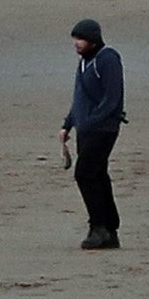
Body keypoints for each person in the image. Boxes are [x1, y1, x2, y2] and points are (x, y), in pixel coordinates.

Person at [59, 15, 128, 250]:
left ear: (94, 40)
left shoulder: (107, 58)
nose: (77, 43)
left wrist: (90, 121)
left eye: (82, 39)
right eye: (75, 38)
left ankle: (98, 226)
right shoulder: (83, 63)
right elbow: (79, 98)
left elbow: (113, 97)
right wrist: (67, 125)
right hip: (86, 128)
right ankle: (109, 230)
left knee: (85, 174)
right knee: (97, 175)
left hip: (103, 128)